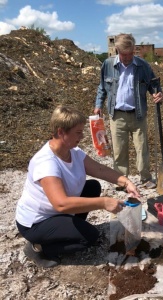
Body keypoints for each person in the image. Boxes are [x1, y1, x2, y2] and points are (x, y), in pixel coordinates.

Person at [15, 105, 140, 268]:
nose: (82, 137)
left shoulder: (72, 151)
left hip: (58, 212)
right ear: (61, 132)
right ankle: (37, 248)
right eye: (78, 132)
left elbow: (99, 169)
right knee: (88, 238)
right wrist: (104, 203)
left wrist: (125, 182)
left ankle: (69, 228)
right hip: (38, 222)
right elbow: (61, 204)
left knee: (93, 186)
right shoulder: (46, 163)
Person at [94, 33, 163, 189]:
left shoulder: (143, 65)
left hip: (138, 115)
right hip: (117, 115)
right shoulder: (107, 64)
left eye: (130, 54)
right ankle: (121, 179)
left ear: (134, 50)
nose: (127, 58)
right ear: (117, 50)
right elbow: (102, 87)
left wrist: (157, 93)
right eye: (123, 54)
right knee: (119, 150)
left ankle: (145, 178)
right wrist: (98, 104)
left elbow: (153, 84)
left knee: (142, 148)